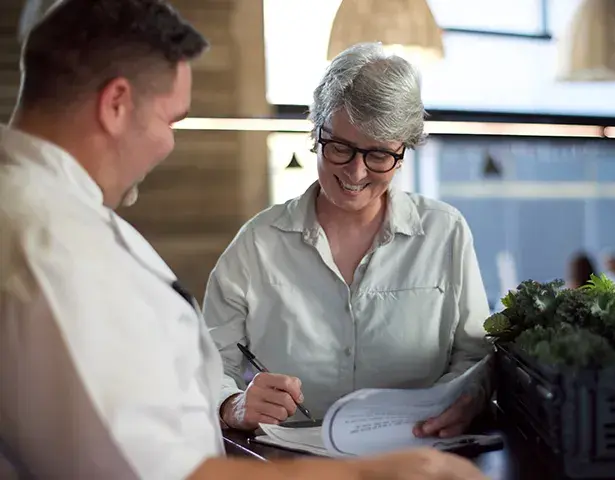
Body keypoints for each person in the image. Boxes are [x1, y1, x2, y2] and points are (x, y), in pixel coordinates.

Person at [0, 1, 487, 479]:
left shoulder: (51, 220)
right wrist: (377, 475)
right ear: (116, 104)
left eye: (379, 154)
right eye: (173, 121)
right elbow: (150, 468)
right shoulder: (52, 246)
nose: (170, 144)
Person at [203, 43, 494, 438]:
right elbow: (205, 364)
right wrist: (232, 404)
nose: (356, 172)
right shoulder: (257, 244)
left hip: (417, 454)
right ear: (316, 132)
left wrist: (467, 399)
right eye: (340, 148)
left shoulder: (445, 233)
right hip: (295, 464)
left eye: (377, 155)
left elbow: (476, 355)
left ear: (402, 151)